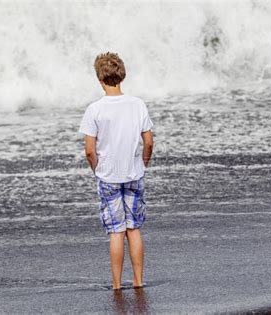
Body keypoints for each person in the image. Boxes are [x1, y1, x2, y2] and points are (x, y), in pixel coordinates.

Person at [78, 51, 154, 290]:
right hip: (134, 173)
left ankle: (117, 284)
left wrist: (96, 170)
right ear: (122, 76)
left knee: (116, 231)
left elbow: (89, 150)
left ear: (99, 79)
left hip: (108, 176)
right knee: (134, 228)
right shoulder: (137, 104)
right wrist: (144, 162)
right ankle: (139, 281)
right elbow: (149, 141)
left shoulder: (95, 109)